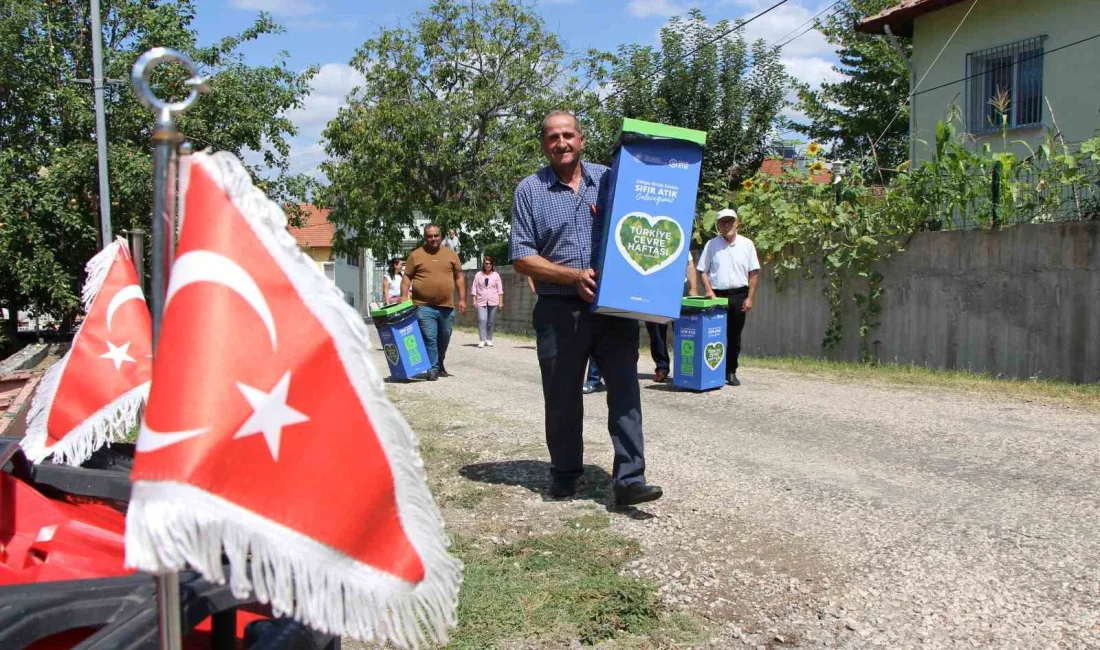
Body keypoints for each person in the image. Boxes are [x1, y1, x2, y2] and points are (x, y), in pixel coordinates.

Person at [510, 109, 662, 508]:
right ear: (543, 144)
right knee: (561, 397)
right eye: (552, 137)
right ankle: (565, 473)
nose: (561, 143)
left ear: (582, 139)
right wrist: (572, 276)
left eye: (568, 135)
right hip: (559, 309)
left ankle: (630, 478)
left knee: (626, 391)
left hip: (614, 309)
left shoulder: (613, 180)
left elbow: (647, 214)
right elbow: (522, 256)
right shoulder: (529, 190)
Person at [697, 208, 761, 386]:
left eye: (729, 221)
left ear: (737, 223)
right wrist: (709, 291)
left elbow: (754, 273)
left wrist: (750, 298)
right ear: (718, 225)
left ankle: (730, 370)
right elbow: (702, 270)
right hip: (717, 296)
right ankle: (713, 371)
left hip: (739, 295)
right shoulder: (711, 244)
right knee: (714, 334)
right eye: (722, 222)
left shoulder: (747, 244)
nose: (726, 225)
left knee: (734, 336)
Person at [402, 224, 467, 381]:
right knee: (429, 337)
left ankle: (439, 362)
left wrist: (463, 299)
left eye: (436, 235)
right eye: (430, 236)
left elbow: (459, 277)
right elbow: (407, 277)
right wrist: (404, 296)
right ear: (425, 237)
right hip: (423, 305)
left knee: (444, 336)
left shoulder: (451, 255)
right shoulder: (416, 255)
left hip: (446, 305)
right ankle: (432, 368)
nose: (433, 239)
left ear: (441, 236)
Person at [645, 255, 699, 383]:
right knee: (656, 330)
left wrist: (694, 288)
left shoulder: (677, 236)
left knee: (684, 330)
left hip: (679, 287)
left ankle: (685, 368)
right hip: (654, 288)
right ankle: (662, 368)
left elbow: (689, 263)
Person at [471, 256, 504, 348]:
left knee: (490, 321)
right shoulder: (478, 275)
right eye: (486, 263)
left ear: (492, 265)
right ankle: (482, 340)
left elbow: (500, 289)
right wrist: (474, 300)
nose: (488, 265)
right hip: (481, 301)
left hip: (494, 301)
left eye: (490, 263)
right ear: (484, 264)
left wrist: (501, 302)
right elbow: (474, 287)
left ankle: (489, 339)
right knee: (482, 319)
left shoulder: (496, 275)